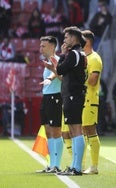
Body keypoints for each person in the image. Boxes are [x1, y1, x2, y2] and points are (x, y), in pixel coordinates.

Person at [44, 26, 87, 176]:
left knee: (76, 130)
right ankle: (75, 166)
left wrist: (60, 57)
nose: (65, 40)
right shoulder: (77, 53)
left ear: (74, 38)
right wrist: (62, 57)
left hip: (73, 94)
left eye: (67, 37)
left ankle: (77, 167)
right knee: (74, 131)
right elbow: (62, 70)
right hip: (72, 94)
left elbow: (61, 70)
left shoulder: (74, 53)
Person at [36, 36, 63, 173]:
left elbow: (61, 77)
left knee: (56, 131)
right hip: (46, 97)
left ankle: (57, 165)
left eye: (44, 46)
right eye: (40, 46)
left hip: (55, 97)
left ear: (52, 46)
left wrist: (51, 73)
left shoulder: (56, 60)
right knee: (48, 131)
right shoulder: (47, 61)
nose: (41, 48)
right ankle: (51, 164)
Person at [81, 30, 103, 174]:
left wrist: (78, 81)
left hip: (90, 99)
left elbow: (93, 81)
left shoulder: (94, 58)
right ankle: (81, 165)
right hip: (83, 99)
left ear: (87, 41)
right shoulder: (85, 58)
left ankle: (94, 166)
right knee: (83, 131)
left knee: (90, 130)